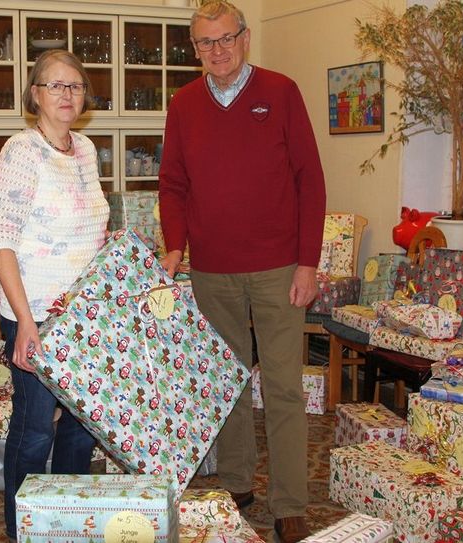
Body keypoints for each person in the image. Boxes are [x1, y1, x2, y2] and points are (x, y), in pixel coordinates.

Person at [158, 2, 326, 542]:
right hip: (212, 271)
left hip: (280, 269)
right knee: (225, 383)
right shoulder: (183, 104)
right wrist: (175, 246)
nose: (219, 50)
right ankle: (235, 480)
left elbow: (310, 179)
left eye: (227, 38)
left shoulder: (280, 92)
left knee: (282, 388)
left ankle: (289, 503)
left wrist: (309, 261)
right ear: (196, 50)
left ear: (246, 37)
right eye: (207, 43)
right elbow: (172, 183)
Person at [0, 49, 110, 540]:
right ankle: (25, 530)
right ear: (34, 94)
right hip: (34, 310)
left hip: (83, 314)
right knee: (35, 428)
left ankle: (69, 523)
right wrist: (26, 322)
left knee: (82, 425)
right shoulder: (21, 151)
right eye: (55, 85)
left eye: (75, 85)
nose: (66, 94)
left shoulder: (85, 148)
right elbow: (2, 241)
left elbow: (93, 233)